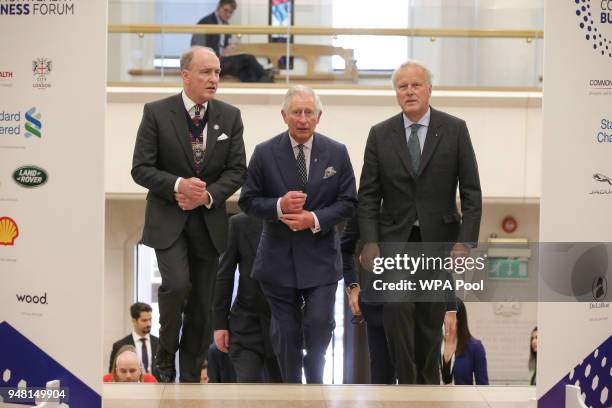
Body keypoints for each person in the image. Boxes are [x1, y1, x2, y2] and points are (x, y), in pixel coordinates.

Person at [358, 60, 482, 384]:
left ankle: (426, 387)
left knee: (429, 323)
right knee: (396, 309)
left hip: (437, 244)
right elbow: (368, 196)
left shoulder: (455, 129)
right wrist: (370, 241)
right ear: (396, 93)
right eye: (402, 86)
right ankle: (408, 385)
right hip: (394, 243)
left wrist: (465, 240)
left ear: (429, 89)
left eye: (415, 85)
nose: (409, 91)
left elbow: (471, 192)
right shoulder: (380, 134)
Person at [131, 45, 247, 383]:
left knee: (202, 304)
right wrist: (180, 185)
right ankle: (165, 352)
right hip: (168, 219)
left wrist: (207, 195)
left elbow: (237, 170)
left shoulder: (230, 116)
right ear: (185, 75)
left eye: (216, 72)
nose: (214, 79)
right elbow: (140, 168)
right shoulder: (156, 112)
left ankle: (192, 368)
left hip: (209, 222)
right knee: (178, 285)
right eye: (206, 72)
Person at [239, 85, 357, 383]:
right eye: (296, 112)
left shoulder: (337, 152)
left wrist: (313, 218)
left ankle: (315, 377)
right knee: (287, 333)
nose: (303, 119)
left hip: (321, 258)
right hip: (278, 259)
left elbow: (349, 202)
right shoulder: (265, 153)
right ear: (284, 116)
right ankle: (292, 391)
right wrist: (279, 206)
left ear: (319, 117)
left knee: (319, 324)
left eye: (309, 112)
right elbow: (247, 200)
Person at [212, 212, 282, 383]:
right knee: (248, 390)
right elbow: (224, 275)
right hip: (246, 325)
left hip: (283, 324)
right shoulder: (238, 223)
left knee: (284, 394)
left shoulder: (295, 219)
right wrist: (219, 324)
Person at [340, 215, 395, 384]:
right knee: (381, 381)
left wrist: (449, 307)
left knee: (418, 382)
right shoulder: (364, 205)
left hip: (419, 303)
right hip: (378, 306)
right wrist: (353, 286)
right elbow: (345, 249)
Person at [190, 0, 273, 83]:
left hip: (222, 60)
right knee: (248, 58)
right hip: (211, 62)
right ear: (218, 7)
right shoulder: (205, 23)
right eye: (226, 10)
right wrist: (220, 53)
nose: (228, 14)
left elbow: (223, 47)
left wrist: (228, 50)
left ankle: (258, 87)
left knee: (246, 71)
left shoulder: (226, 25)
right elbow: (197, 50)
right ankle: (266, 75)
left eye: (231, 12)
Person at [440, 299, 489, 385]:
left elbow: (483, 386)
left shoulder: (475, 347)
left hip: (462, 398)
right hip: (431, 397)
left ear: (459, 318)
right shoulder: (431, 346)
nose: (444, 321)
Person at [108, 302, 159, 376]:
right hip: (130, 386)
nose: (149, 324)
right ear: (134, 321)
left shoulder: (159, 343)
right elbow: (112, 375)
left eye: (150, 320)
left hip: (156, 386)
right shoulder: (119, 346)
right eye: (144, 320)